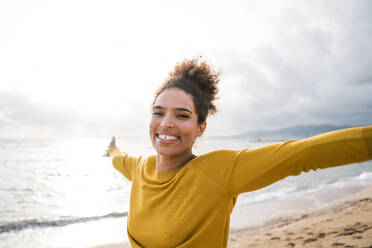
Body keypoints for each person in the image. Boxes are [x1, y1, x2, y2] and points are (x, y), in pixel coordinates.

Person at [104, 58, 372, 248]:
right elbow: (120, 160)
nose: (165, 123)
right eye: (158, 113)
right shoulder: (142, 168)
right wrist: (113, 150)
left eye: (182, 115)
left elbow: (300, 154)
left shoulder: (218, 171)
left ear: (200, 128)